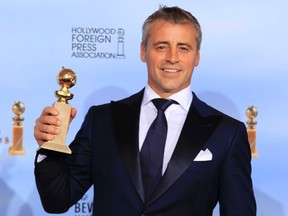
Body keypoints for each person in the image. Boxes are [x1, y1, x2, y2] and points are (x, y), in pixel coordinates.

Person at [34, 6, 257, 216]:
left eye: (183, 48)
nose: (172, 57)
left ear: (197, 56)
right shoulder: (102, 120)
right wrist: (49, 146)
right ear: (143, 51)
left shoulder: (227, 133)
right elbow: (57, 200)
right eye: (161, 46)